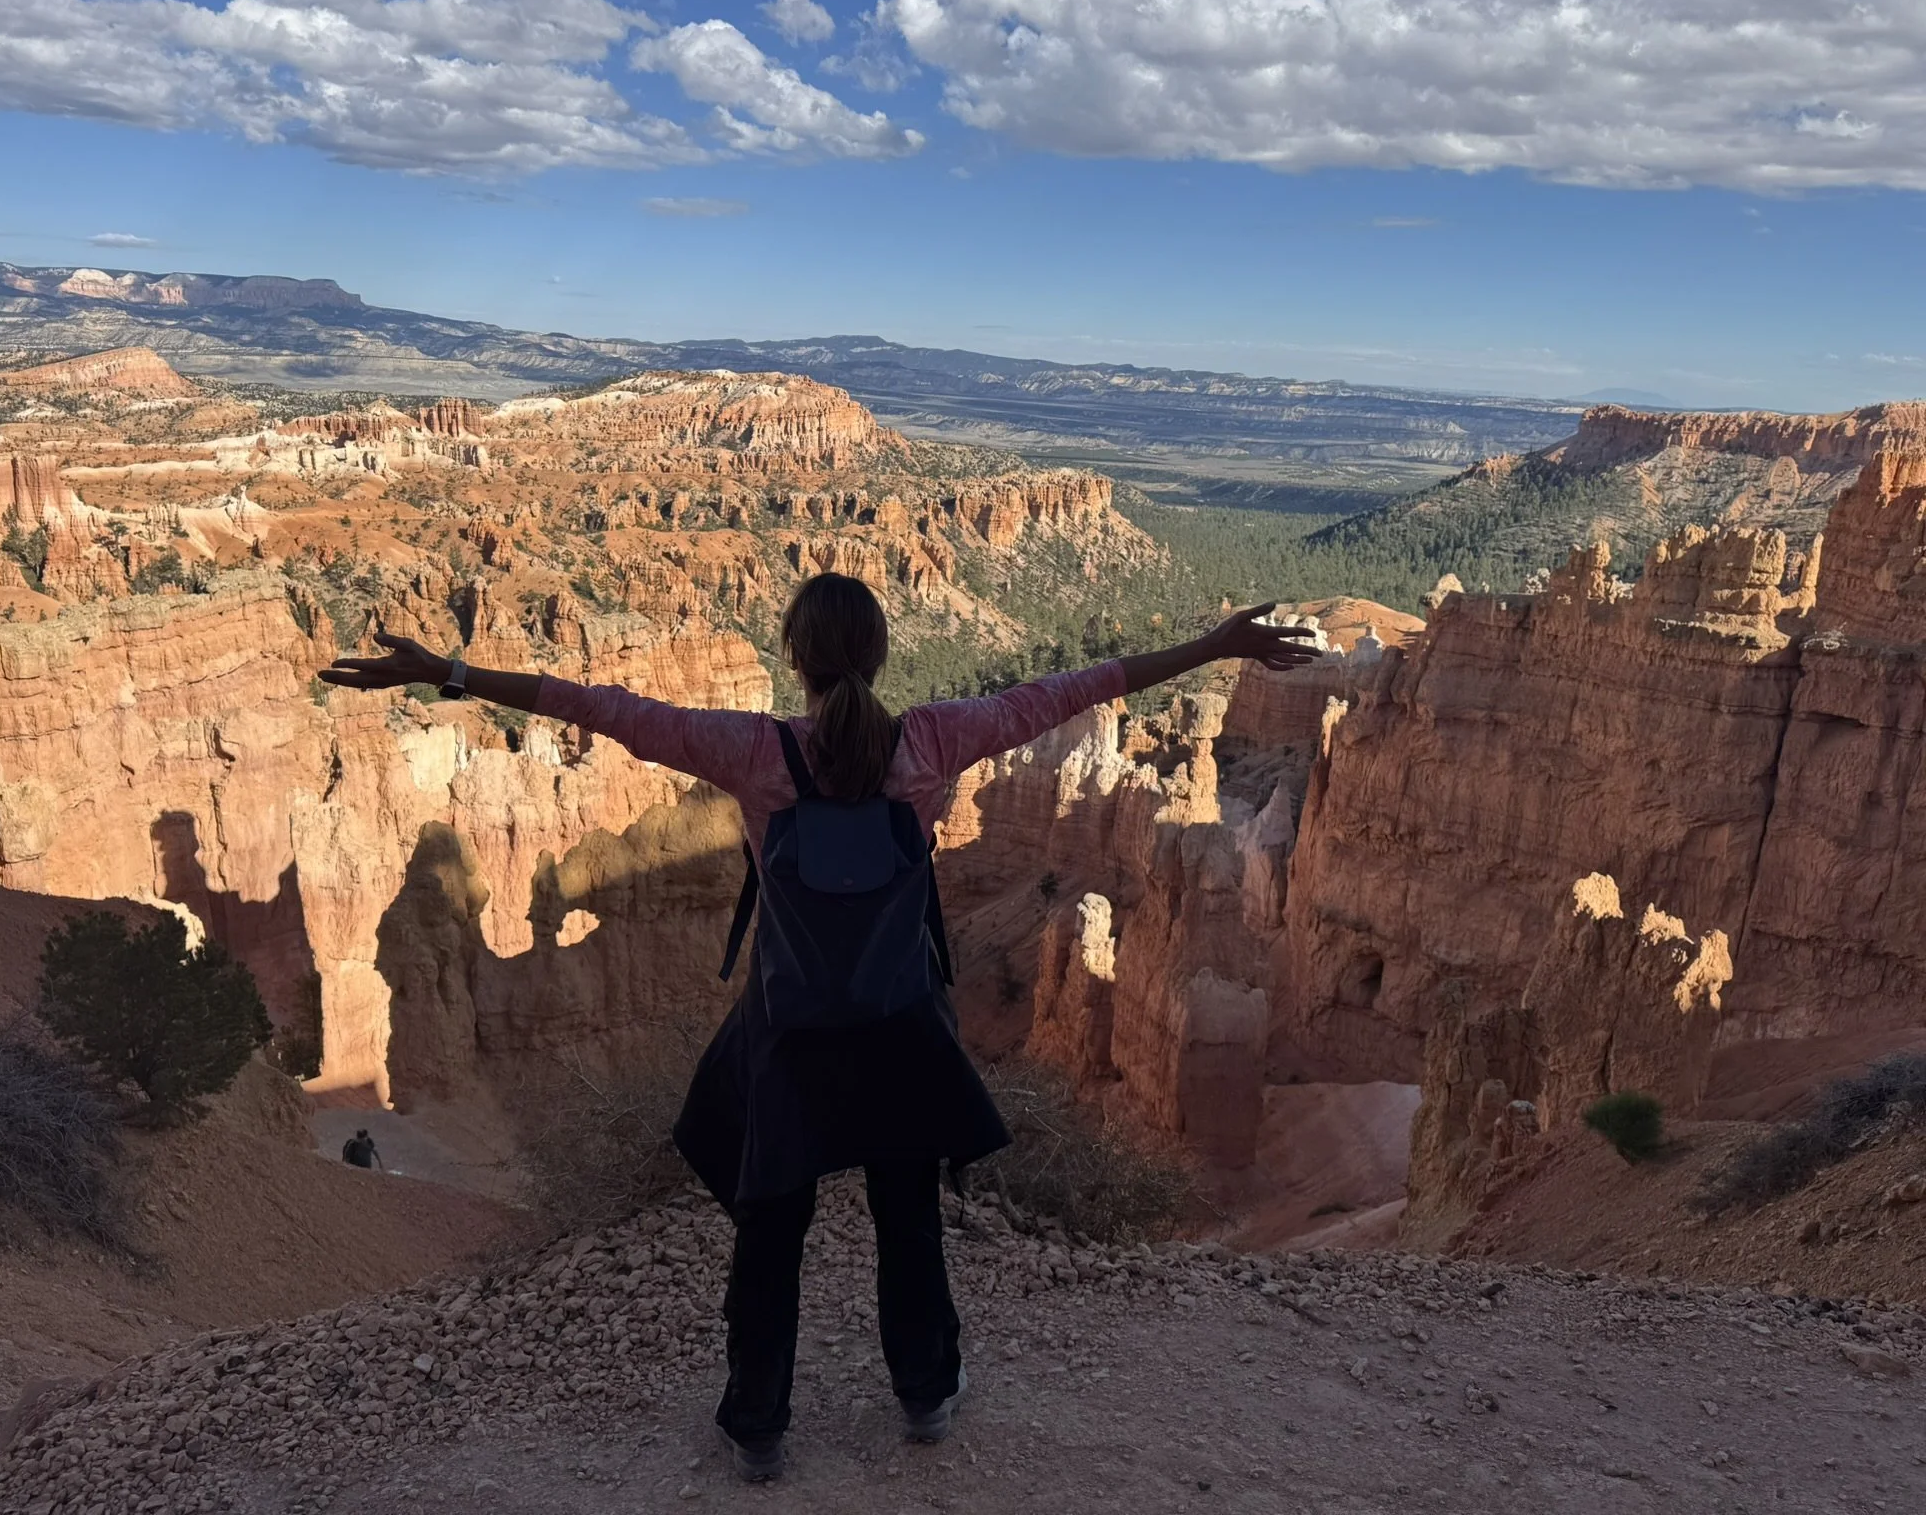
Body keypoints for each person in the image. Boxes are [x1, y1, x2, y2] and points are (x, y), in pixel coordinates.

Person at [319, 575, 1318, 1480]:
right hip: (897, 1026)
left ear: (794, 660)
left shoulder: (757, 754)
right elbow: (1075, 688)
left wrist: (445, 671)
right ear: (879, 657)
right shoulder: (929, 742)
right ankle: (924, 1396)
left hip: (790, 1029)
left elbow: (603, 709)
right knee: (904, 1212)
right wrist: (1213, 647)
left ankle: (758, 1423)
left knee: (771, 1223)